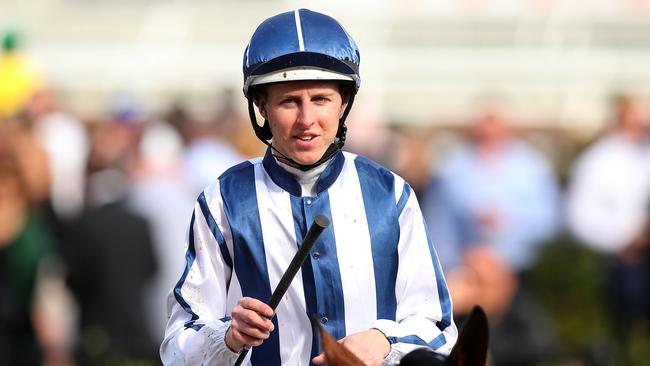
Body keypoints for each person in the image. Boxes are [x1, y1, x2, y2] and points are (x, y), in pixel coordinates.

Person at [160, 9, 457, 366]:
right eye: (289, 101)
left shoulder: (391, 194)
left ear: (343, 103)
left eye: (320, 99)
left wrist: (381, 341)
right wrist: (228, 337)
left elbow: (438, 327)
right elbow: (177, 347)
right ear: (261, 106)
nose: (306, 120)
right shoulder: (223, 200)